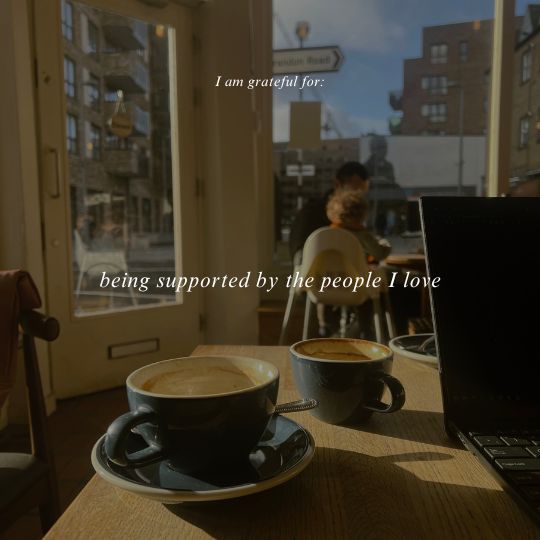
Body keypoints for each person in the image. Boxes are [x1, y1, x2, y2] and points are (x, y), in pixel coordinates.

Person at [288, 161, 370, 260]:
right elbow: (300, 258)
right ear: (337, 184)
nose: (358, 199)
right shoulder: (311, 214)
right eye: (354, 192)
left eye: (362, 195)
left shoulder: (353, 217)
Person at [325, 188, 391, 261]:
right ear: (363, 214)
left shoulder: (325, 234)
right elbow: (379, 254)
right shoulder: (363, 236)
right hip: (357, 272)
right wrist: (386, 244)